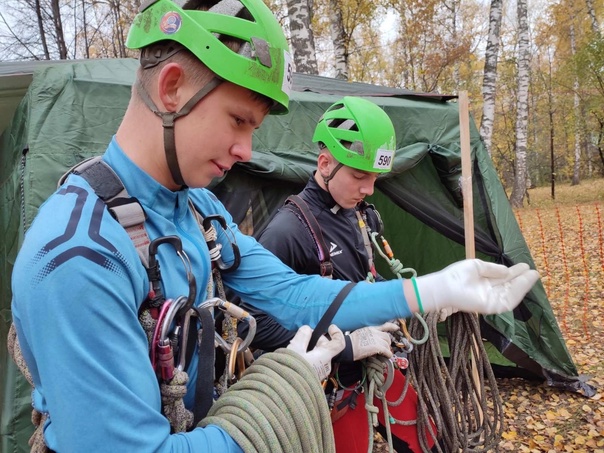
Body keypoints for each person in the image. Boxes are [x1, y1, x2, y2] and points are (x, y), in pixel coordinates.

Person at [9, 0, 540, 451]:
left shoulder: (195, 211)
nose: (246, 151)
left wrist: (429, 290)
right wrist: (282, 394)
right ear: (171, 89)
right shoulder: (79, 256)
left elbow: (289, 294)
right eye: (239, 120)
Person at [239, 96, 435, 452]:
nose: (368, 189)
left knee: (428, 441)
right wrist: (341, 345)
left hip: (378, 365)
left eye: (375, 177)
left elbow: (366, 279)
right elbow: (251, 324)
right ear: (325, 162)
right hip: (331, 389)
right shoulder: (288, 230)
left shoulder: (363, 214)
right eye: (359, 176)